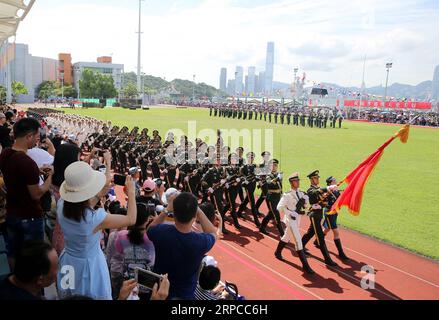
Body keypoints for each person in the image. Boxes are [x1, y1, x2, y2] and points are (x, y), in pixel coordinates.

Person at [56, 159, 137, 300]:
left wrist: (99, 194)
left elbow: (79, 206)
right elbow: (131, 219)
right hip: (90, 267)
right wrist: (131, 192)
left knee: (68, 295)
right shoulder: (95, 218)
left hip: (68, 261)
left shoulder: (61, 204)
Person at [0, 118, 54, 265]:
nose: (36, 142)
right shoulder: (27, 162)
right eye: (36, 138)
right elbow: (36, 194)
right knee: (33, 258)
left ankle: (15, 279)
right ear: (28, 136)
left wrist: (37, 171)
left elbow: (14, 175)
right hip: (30, 217)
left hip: (11, 212)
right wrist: (50, 177)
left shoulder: (5, 153)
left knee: (13, 252)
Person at [147, 192, 217, 300]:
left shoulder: (161, 232)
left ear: (174, 213)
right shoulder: (200, 242)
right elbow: (213, 233)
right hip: (184, 295)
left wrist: (167, 210)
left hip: (159, 290)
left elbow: (150, 228)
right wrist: (198, 211)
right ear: (194, 216)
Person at [110, 202, 156, 299]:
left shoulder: (121, 236)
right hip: (147, 286)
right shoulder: (153, 238)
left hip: (126, 285)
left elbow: (116, 260)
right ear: (148, 219)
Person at [275, 172, 315, 274]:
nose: (298, 182)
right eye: (296, 181)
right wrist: (290, 212)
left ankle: (277, 252)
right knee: (298, 241)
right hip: (290, 219)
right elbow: (279, 208)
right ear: (292, 182)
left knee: (286, 237)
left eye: (298, 180)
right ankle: (305, 266)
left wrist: (306, 201)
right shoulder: (287, 195)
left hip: (298, 219)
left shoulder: (302, 193)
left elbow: (305, 207)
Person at [301, 170, 338, 267]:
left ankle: (300, 246)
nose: (317, 179)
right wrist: (327, 188)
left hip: (319, 214)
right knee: (320, 237)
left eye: (317, 178)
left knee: (310, 232)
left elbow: (324, 201)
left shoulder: (318, 189)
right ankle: (327, 259)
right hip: (314, 215)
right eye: (316, 178)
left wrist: (327, 194)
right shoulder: (311, 190)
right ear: (312, 179)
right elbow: (315, 192)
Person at [319, 176, 349, 261]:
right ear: (330, 183)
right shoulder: (327, 192)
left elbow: (340, 199)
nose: (336, 181)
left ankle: (318, 240)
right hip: (329, 213)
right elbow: (323, 201)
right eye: (334, 180)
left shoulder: (336, 191)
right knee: (336, 231)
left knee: (327, 228)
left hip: (335, 212)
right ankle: (341, 253)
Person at [259, 159, 284, 236]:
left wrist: (281, 193)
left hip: (278, 197)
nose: (274, 167)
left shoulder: (278, 174)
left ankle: (262, 227)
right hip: (271, 197)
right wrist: (278, 178)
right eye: (273, 165)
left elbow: (280, 185)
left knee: (270, 214)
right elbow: (269, 182)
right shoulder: (268, 175)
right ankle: (282, 234)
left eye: (276, 165)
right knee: (276, 216)